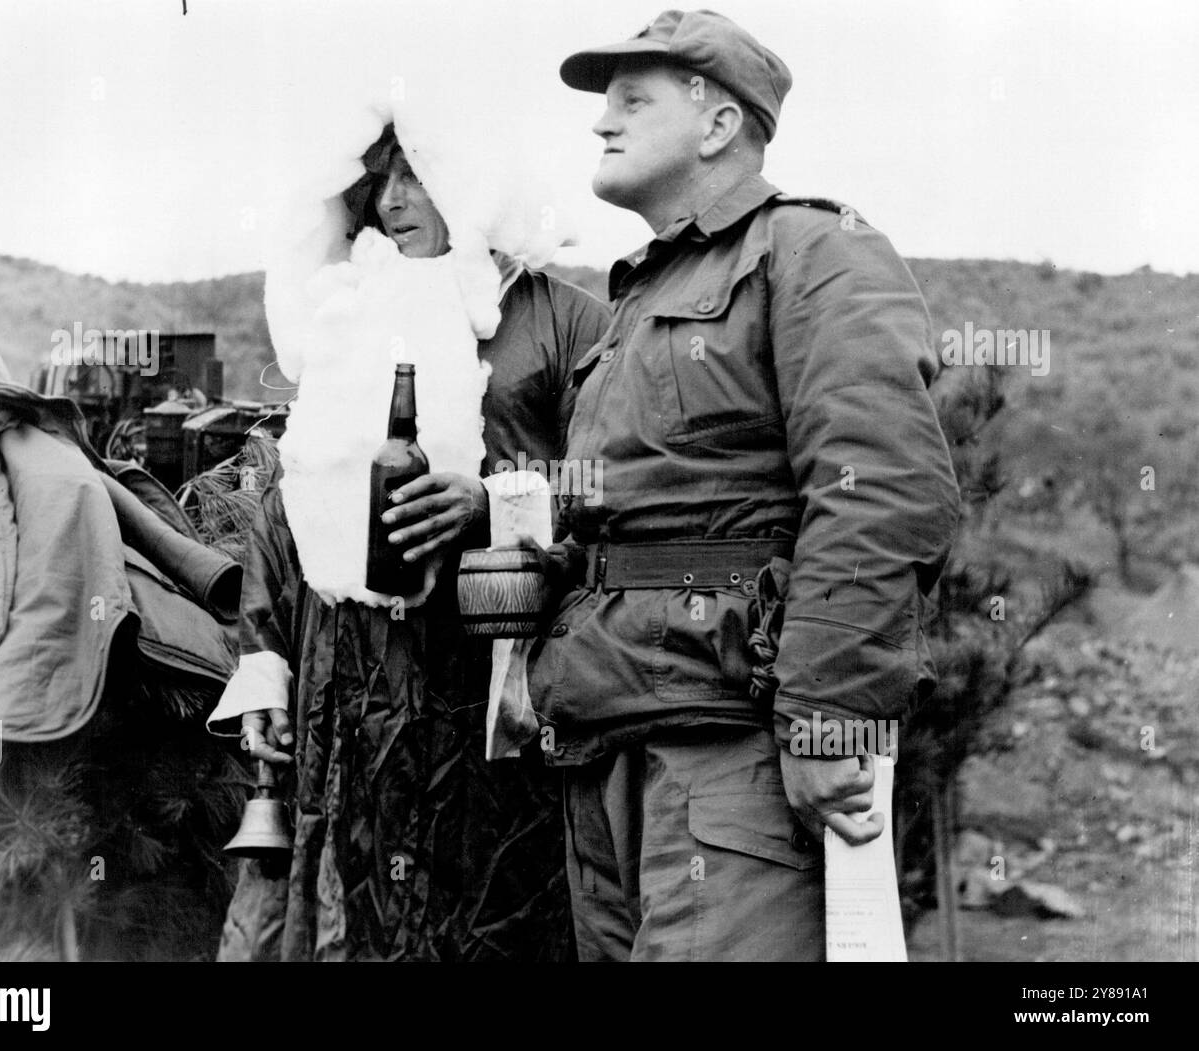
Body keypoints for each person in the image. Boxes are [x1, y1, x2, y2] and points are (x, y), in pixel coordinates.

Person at [525, 9, 961, 961]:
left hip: (735, 756)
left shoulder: (812, 252)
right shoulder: (627, 308)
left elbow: (882, 489)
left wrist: (829, 715)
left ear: (719, 124)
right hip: (606, 745)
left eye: (631, 100)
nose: (602, 123)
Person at [210, 124, 611, 961]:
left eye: (416, 176)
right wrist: (265, 664)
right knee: (346, 913)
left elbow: (611, 492)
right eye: (380, 180)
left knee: (487, 907)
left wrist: (491, 501)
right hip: (346, 682)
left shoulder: (563, 323)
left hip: (487, 681)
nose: (391, 202)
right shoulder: (353, 305)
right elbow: (291, 500)